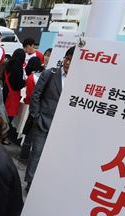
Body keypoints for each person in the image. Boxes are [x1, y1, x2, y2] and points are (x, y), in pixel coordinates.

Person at [26, 46, 74, 190]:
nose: (68, 63)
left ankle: (43, 182)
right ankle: (30, 182)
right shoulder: (50, 74)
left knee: (52, 157)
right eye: (67, 59)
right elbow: (36, 96)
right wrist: (36, 117)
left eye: (72, 61)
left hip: (62, 126)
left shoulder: (78, 81)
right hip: (43, 122)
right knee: (36, 153)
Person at [19, 56, 45, 161]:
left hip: (32, 108)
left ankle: (24, 154)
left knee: (27, 133)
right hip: (36, 109)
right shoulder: (37, 76)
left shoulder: (32, 77)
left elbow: (30, 95)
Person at [3, 48, 26, 142]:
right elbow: (17, 85)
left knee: (2, 115)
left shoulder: (8, 65)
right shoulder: (18, 69)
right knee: (8, 118)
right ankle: (3, 137)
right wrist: (24, 82)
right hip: (12, 96)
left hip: (5, 91)